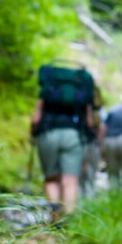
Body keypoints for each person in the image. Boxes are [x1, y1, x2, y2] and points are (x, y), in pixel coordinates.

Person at [31, 66, 100, 216]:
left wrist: (33, 133)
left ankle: (54, 214)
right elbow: (90, 122)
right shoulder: (83, 92)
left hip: (48, 134)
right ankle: (68, 219)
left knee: (51, 178)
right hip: (74, 136)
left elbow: (36, 118)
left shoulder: (48, 88)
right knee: (70, 180)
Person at [80, 86, 105, 199]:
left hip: (79, 143)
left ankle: (78, 203)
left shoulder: (77, 106)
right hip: (93, 144)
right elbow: (102, 128)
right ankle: (89, 200)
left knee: (79, 176)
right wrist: (99, 145)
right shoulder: (99, 110)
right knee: (91, 175)